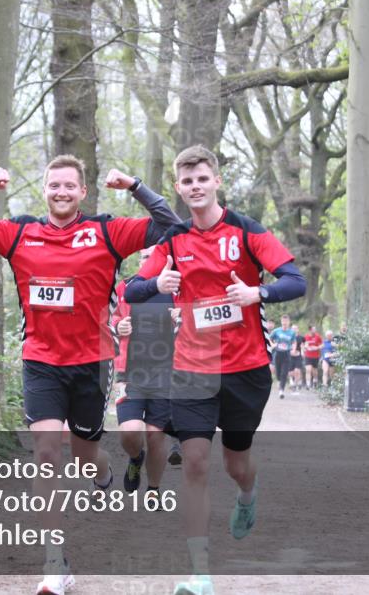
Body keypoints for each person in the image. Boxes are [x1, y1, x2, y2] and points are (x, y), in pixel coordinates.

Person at [0, 155, 180, 595]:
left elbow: (171, 225)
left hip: (92, 362)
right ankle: (56, 561)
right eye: (54, 185)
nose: (61, 192)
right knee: (47, 452)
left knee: (85, 453)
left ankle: (103, 474)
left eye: (70, 186)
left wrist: (134, 186)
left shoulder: (107, 232)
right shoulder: (20, 233)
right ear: (45, 190)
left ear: (83, 192)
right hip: (41, 361)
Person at [124, 145, 306, 595]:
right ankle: (200, 573)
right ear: (178, 188)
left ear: (216, 181)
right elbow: (131, 290)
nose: (195, 187)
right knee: (195, 463)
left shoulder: (246, 230)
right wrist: (156, 283)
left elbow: (295, 281)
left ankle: (248, 493)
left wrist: (257, 294)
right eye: (187, 181)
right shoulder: (173, 239)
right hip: (191, 367)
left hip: (246, 368)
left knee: (236, 464)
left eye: (202, 178)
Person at [112, 247, 177, 508]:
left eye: (154, 257)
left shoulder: (176, 290)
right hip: (130, 374)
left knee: (156, 436)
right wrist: (117, 326)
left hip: (166, 374)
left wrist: (182, 319)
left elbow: (197, 324)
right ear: (139, 261)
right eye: (145, 257)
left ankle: (153, 489)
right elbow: (107, 320)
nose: (149, 261)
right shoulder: (125, 288)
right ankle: (135, 458)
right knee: (130, 433)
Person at [267, 315, 297, 399]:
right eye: (283, 321)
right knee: (278, 373)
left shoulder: (291, 332)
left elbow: (294, 342)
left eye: (286, 321)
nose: (285, 323)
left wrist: (293, 349)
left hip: (286, 354)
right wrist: (272, 345)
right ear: (281, 322)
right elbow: (269, 338)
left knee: (284, 373)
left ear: (289, 322)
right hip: (277, 354)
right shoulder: (276, 331)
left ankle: (281, 391)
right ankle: (279, 381)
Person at [303, 325, 323, 389]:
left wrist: (317, 347)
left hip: (315, 356)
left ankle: (315, 381)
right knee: (308, 369)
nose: (315, 330)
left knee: (314, 371)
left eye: (315, 329)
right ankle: (308, 384)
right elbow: (303, 345)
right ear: (310, 330)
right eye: (313, 329)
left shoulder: (318, 336)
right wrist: (306, 347)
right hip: (308, 355)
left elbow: (322, 344)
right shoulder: (306, 336)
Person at [289, 323, 305, 391]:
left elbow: (303, 345)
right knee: (291, 372)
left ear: (298, 329)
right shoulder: (288, 337)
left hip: (298, 356)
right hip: (290, 356)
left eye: (295, 328)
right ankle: (292, 381)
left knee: (297, 371)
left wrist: (303, 352)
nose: (294, 330)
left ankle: (294, 385)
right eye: (293, 328)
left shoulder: (301, 338)